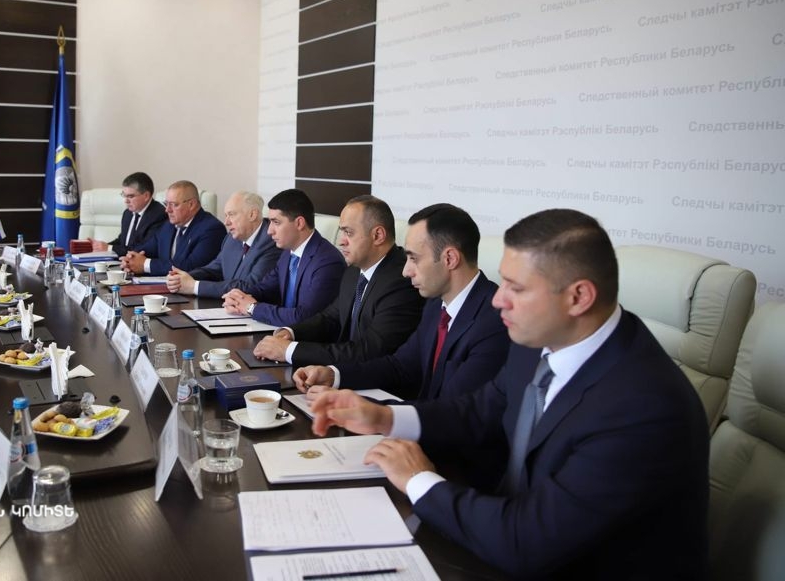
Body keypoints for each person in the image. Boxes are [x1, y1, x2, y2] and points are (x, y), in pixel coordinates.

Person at [310, 209, 709, 580]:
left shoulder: (644, 407)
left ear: (578, 297)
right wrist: (385, 417)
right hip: (507, 537)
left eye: (516, 288)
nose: (498, 299)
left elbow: (528, 541)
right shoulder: (537, 342)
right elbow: (479, 410)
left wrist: (418, 480)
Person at [292, 203, 507, 401]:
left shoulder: (495, 321)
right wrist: (334, 375)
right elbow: (400, 366)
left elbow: (453, 410)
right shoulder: (435, 305)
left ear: (449, 259)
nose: (406, 271)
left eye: (414, 258)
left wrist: (370, 410)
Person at [252, 195, 424, 367]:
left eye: (348, 232)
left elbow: (370, 350)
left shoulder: (402, 282)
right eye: (341, 231)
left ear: (378, 235)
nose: (341, 241)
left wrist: (289, 351)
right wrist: (291, 333)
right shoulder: (354, 270)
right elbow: (331, 317)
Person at [223, 188, 344, 327]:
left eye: (276, 222)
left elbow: (303, 317)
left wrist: (252, 308)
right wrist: (238, 297)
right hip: (281, 331)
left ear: (299, 223)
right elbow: (264, 288)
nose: (269, 231)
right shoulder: (288, 253)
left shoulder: (328, 262)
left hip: (307, 337)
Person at [166, 191, 279, 299]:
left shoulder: (271, 242)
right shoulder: (231, 239)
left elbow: (250, 287)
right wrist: (183, 278)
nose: (226, 222)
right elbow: (215, 269)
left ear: (252, 214)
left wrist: (194, 286)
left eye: (231, 214)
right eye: (226, 216)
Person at [121, 180, 224, 276]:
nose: (167, 210)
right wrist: (130, 260)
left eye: (174, 205)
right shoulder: (168, 226)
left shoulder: (212, 229)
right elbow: (147, 248)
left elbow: (191, 266)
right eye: (166, 204)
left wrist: (145, 265)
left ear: (191, 204)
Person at [89, 172, 166, 256]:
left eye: (130, 196)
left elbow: (143, 250)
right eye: (124, 195)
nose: (126, 201)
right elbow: (122, 242)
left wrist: (109, 248)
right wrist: (100, 246)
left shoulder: (159, 215)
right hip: (121, 260)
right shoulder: (128, 213)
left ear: (146, 196)